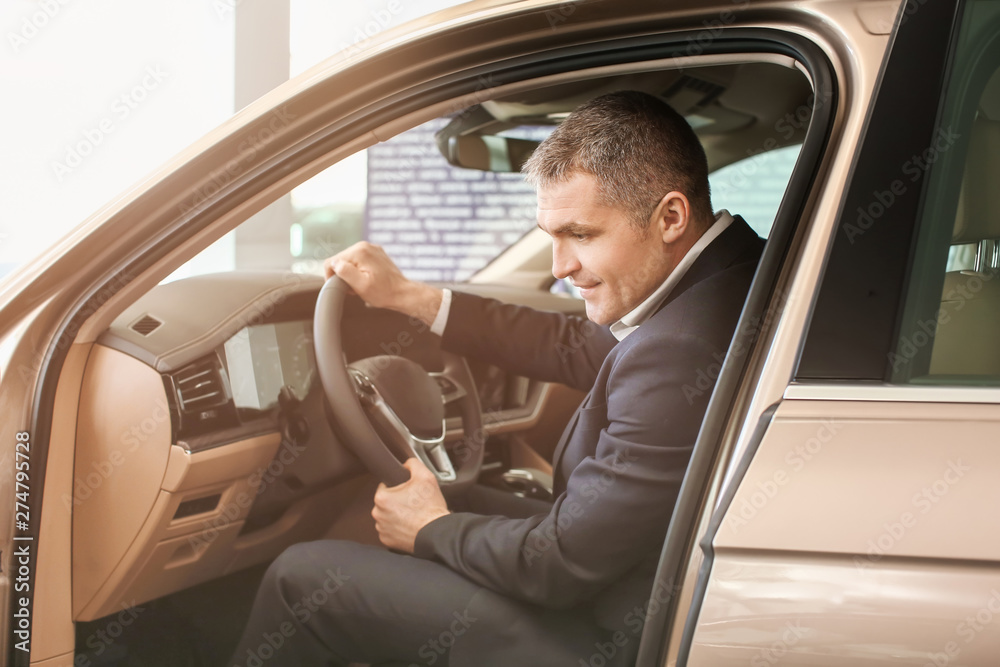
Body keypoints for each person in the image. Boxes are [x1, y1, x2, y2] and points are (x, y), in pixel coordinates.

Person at [229, 90, 764, 667]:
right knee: (451, 495)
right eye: (551, 237)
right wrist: (410, 298)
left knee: (299, 577)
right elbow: (570, 346)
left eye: (581, 235)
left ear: (671, 217)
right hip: (639, 572)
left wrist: (432, 528)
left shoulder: (679, 349)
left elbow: (559, 564)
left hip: (610, 635)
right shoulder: (730, 278)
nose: (560, 268)